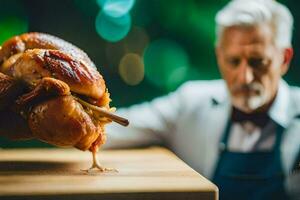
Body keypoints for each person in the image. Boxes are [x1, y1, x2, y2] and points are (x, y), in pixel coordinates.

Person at [104, 0, 300, 199]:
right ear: (219, 55)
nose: (245, 77)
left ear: (284, 58)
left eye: (258, 62)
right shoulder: (190, 103)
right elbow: (112, 128)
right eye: (233, 61)